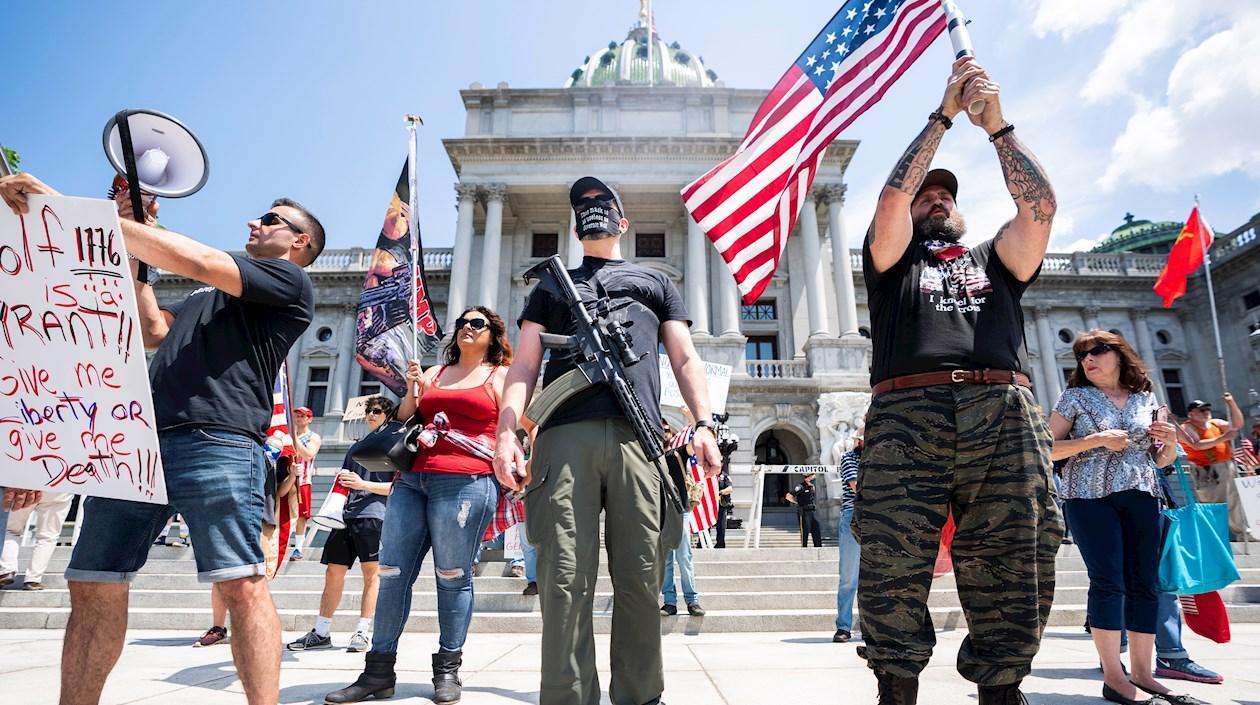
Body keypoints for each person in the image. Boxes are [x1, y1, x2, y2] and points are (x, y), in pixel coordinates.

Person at [1, 170, 324, 705]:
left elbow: (197, 259)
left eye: (269, 219)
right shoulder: (207, 293)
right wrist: (131, 236)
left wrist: (77, 215)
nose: (253, 221)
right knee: (92, 581)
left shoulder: (288, 282)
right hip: (138, 443)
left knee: (241, 584)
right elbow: (150, 328)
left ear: (299, 242)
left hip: (218, 440)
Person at [857, 57, 1062, 705]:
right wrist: (944, 117)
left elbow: (1041, 208)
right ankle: (896, 689)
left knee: (1013, 564)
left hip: (1003, 410)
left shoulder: (995, 260)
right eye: (929, 195)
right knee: (892, 567)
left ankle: (1002, 691)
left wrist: (997, 128)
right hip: (907, 413)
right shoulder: (891, 263)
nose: (938, 197)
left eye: (946, 194)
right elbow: (892, 198)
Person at [493, 176, 721, 705]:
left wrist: (705, 423)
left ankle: (640, 695)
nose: (592, 210)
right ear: (575, 226)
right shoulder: (550, 286)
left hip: (639, 440)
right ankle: (568, 695)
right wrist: (508, 431)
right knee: (564, 579)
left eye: (604, 203)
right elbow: (525, 363)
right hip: (562, 437)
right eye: (583, 206)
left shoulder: (655, 281)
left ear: (623, 221)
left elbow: (685, 358)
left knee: (642, 575)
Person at [325, 306, 512, 705]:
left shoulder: (500, 377)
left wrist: (513, 459)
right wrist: (412, 388)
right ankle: (378, 671)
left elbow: (521, 426)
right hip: (412, 479)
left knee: (452, 575)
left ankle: (447, 668)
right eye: (461, 323)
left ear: (493, 334)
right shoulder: (434, 374)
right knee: (391, 572)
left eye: (476, 323)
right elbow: (407, 417)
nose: (466, 328)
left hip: (467, 480)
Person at [1050, 330, 1202, 705]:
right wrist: (1094, 440)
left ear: (1120, 355)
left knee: (1145, 583)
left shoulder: (1147, 399)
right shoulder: (1073, 397)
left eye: (1097, 351)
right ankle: (1114, 678)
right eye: (1083, 354)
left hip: (1141, 493)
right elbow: (1048, 449)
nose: (1088, 359)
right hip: (1088, 497)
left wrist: (1169, 442)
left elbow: (1162, 460)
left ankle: (1144, 674)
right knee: (1108, 582)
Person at [289, 396, 397, 654]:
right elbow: (342, 482)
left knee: (372, 574)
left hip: (375, 514)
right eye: (369, 410)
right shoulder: (355, 447)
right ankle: (321, 631)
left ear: (388, 416)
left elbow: (399, 487)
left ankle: (362, 631)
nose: (371, 414)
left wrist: (364, 485)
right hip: (345, 515)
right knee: (333, 572)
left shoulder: (395, 446)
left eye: (377, 411)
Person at [1179, 395, 1248, 539]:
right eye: (1201, 410)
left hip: (1226, 465)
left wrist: (1231, 403)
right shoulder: (1186, 427)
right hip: (1207, 471)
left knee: (1234, 500)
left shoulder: (1215, 423)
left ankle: (1241, 532)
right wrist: (1223, 438)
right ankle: (1215, 536)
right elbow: (1196, 444)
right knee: (1213, 503)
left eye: (1206, 409)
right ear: (1191, 414)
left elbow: (1237, 424)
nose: (1206, 411)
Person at [0, 491, 73, 590]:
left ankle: (7, 570)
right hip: (61, 489)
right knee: (48, 537)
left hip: (29, 486)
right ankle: (33, 580)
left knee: (10, 530)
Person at [833, 435, 861, 643]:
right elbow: (855, 485)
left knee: (874, 577)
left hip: (878, 517)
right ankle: (844, 626)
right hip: (854, 516)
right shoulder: (849, 457)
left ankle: (871, 627)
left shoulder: (881, 459)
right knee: (849, 576)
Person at [286, 406, 322, 559]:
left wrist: (294, 439)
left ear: (309, 419)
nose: (299, 418)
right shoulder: (288, 435)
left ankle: (298, 547)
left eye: (302, 416)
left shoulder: (313, 436)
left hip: (303, 481)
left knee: (302, 515)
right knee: (284, 513)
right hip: (287, 479)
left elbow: (308, 455)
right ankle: (284, 543)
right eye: (297, 415)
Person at [785, 473, 822, 547]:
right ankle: (804, 547)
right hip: (804, 512)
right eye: (811, 475)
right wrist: (796, 503)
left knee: (816, 529)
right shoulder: (800, 486)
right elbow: (788, 496)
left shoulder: (812, 486)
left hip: (812, 511)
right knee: (805, 531)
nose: (813, 477)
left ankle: (818, 547)